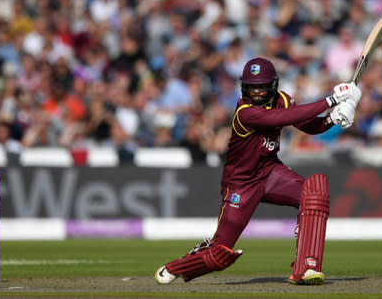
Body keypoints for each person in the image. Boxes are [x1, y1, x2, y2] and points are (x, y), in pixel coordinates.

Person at [154, 57, 361, 285]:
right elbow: (286, 117)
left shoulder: (281, 99)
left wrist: (334, 118)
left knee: (314, 191)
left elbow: (309, 125)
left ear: (273, 85)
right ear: (244, 87)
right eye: (252, 88)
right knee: (220, 253)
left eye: (262, 88)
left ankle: (306, 268)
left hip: (271, 172)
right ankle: (177, 266)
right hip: (241, 185)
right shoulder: (245, 112)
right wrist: (331, 100)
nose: (257, 94)